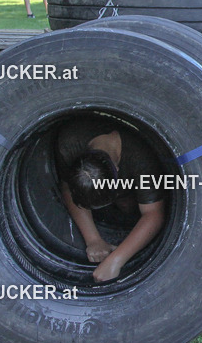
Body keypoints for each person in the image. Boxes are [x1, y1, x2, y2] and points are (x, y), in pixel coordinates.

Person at [55, 116, 166, 282]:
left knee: (128, 207)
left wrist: (116, 261)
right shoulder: (69, 142)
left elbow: (154, 214)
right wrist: (93, 240)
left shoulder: (142, 159)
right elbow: (67, 188)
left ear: (117, 169)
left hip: (134, 189)